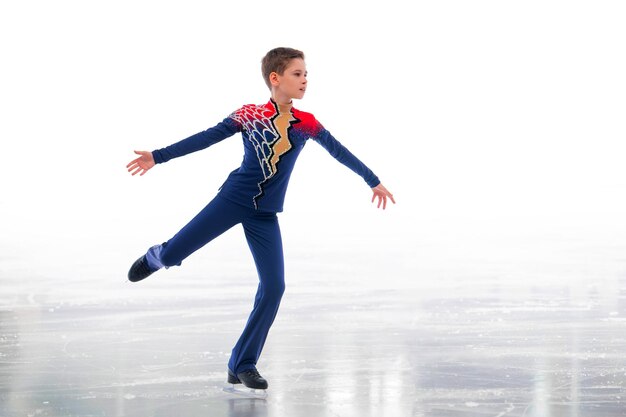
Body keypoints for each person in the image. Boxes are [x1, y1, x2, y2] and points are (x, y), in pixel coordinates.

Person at [125, 47, 395, 391]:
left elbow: (340, 151)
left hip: (264, 215)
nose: (305, 80)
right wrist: (158, 156)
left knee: (274, 287)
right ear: (275, 78)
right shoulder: (249, 114)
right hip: (231, 201)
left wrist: (372, 180)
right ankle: (156, 256)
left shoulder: (307, 123)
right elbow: (206, 138)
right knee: (174, 254)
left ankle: (242, 363)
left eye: (306, 74)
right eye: (298, 74)